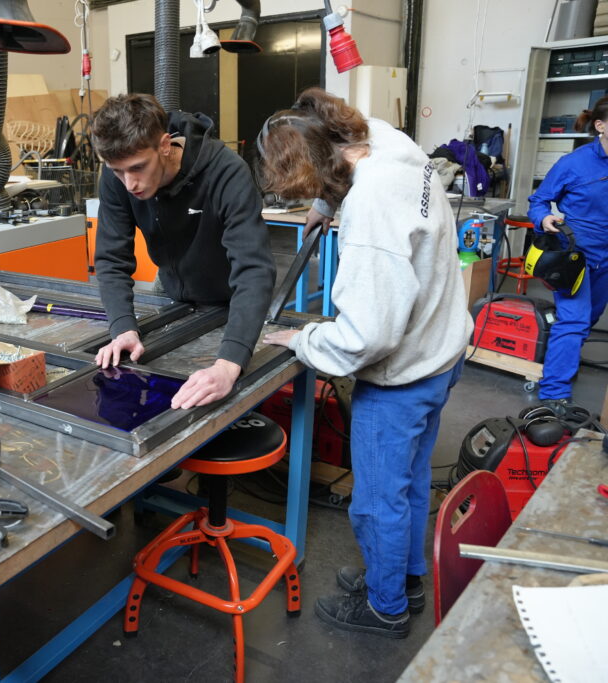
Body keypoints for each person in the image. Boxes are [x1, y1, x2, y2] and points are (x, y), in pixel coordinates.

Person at [258, 88, 473, 638]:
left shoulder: (371, 210)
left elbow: (365, 338)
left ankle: (386, 609)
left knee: (377, 502)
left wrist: (302, 342)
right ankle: (405, 580)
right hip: (442, 352)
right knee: (410, 479)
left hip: (401, 377)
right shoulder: (391, 145)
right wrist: (324, 205)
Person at [90, 93, 276, 409]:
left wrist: (229, 364)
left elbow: (254, 270)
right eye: (118, 170)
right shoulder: (117, 177)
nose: (129, 183)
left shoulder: (226, 172)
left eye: (137, 168)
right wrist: (123, 327)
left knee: (226, 396)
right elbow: (111, 258)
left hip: (230, 297)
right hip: (171, 291)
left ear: (165, 145)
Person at [526, 95, 608, 415]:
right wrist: (543, 218)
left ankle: (564, 363)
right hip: (575, 257)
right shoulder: (573, 164)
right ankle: (554, 393)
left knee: (587, 320)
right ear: (600, 126)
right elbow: (539, 201)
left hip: (606, 259)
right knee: (573, 321)